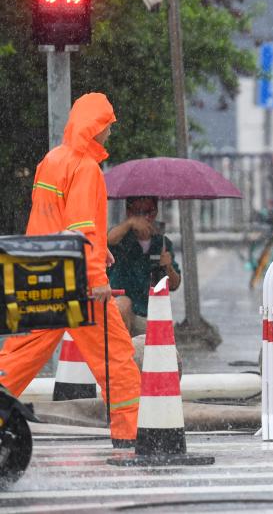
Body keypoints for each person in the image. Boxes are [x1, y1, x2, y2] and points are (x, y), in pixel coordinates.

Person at [0, 93, 141, 448]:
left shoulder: (53, 159)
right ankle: (132, 433)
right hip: (77, 280)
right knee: (116, 359)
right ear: (98, 127)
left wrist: (102, 249)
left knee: (20, 356)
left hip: (42, 271)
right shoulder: (87, 167)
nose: (110, 132)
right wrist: (96, 282)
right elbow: (80, 231)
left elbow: (54, 219)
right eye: (109, 125)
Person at [107, 196, 180, 336]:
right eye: (138, 212)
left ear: (156, 212)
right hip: (122, 313)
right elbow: (108, 239)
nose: (144, 218)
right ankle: (120, 354)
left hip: (150, 315)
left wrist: (168, 267)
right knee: (122, 304)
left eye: (149, 212)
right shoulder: (120, 238)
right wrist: (129, 223)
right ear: (129, 212)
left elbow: (174, 284)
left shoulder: (162, 243)